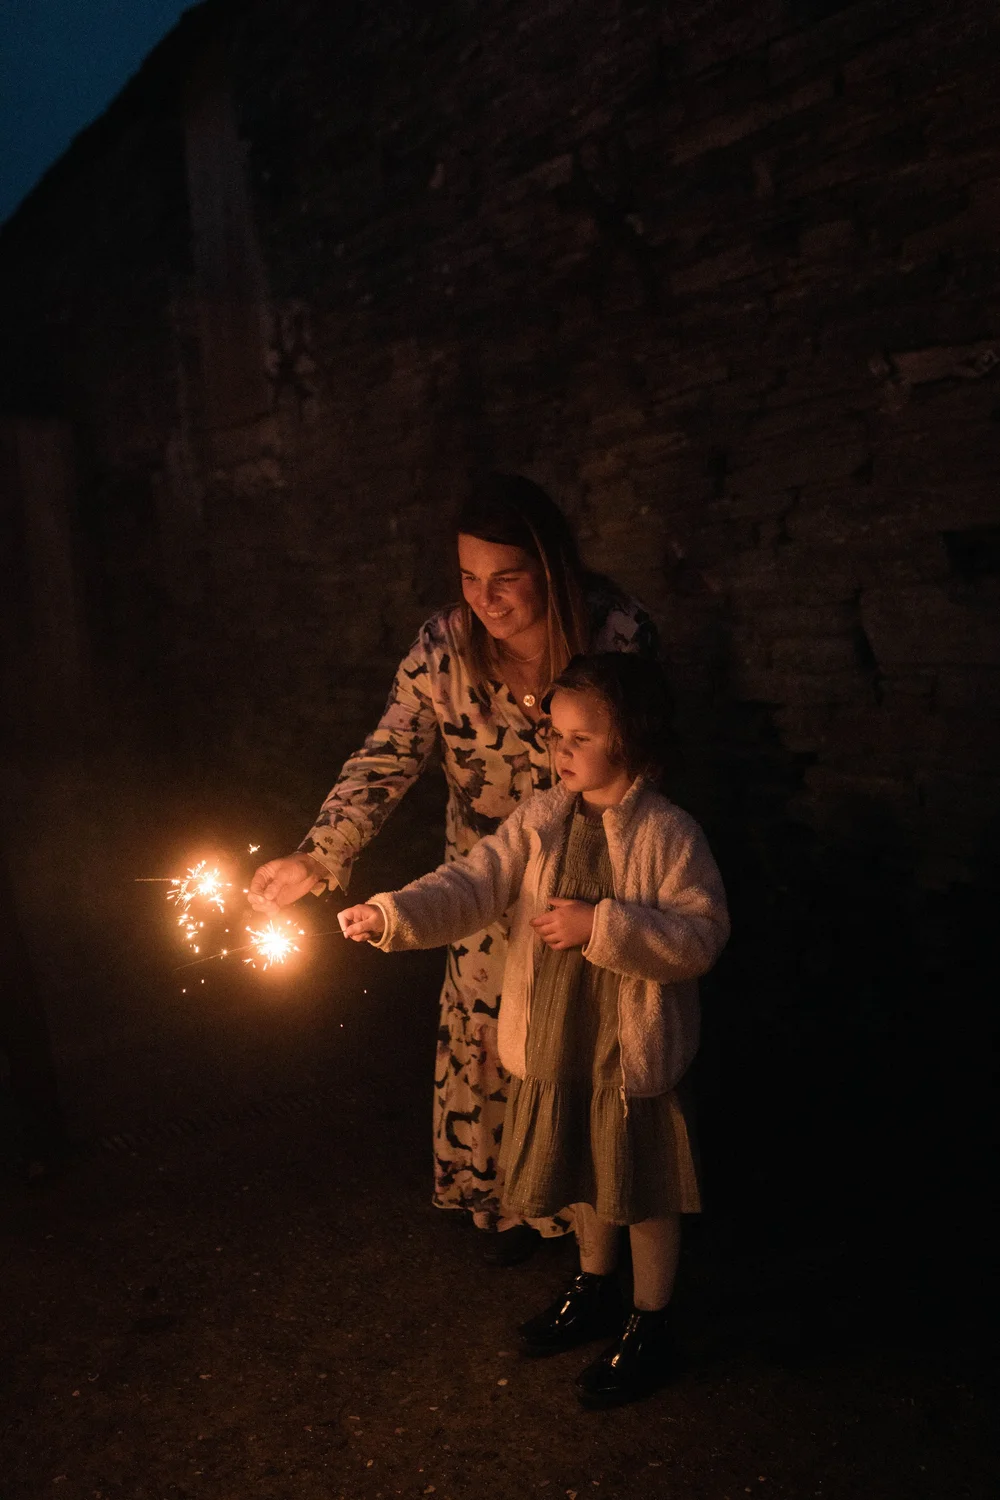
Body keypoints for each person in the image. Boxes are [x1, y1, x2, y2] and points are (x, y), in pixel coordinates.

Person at [247, 474, 657, 1264]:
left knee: (578, 1043)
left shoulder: (618, 633)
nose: (486, 599)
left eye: (507, 577)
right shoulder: (444, 648)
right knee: (490, 1037)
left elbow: (651, 758)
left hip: (589, 881)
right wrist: (320, 854)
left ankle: (592, 1226)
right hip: (480, 881)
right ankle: (509, 1203)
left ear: (550, 565)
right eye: (470, 577)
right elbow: (387, 755)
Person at [338, 654, 729, 1407]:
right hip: (558, 1036)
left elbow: (701, 936)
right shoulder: (542, 820)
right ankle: (595, 1285)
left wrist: (601, 925)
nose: (560, 750)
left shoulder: (669, 833)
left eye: (582, 738)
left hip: (625, 1049)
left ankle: (653, 1321)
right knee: (583, 1168)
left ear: (631, 738)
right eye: (555, 734)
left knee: (641, 1185)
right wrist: (391, 915)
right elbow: (472, 881)